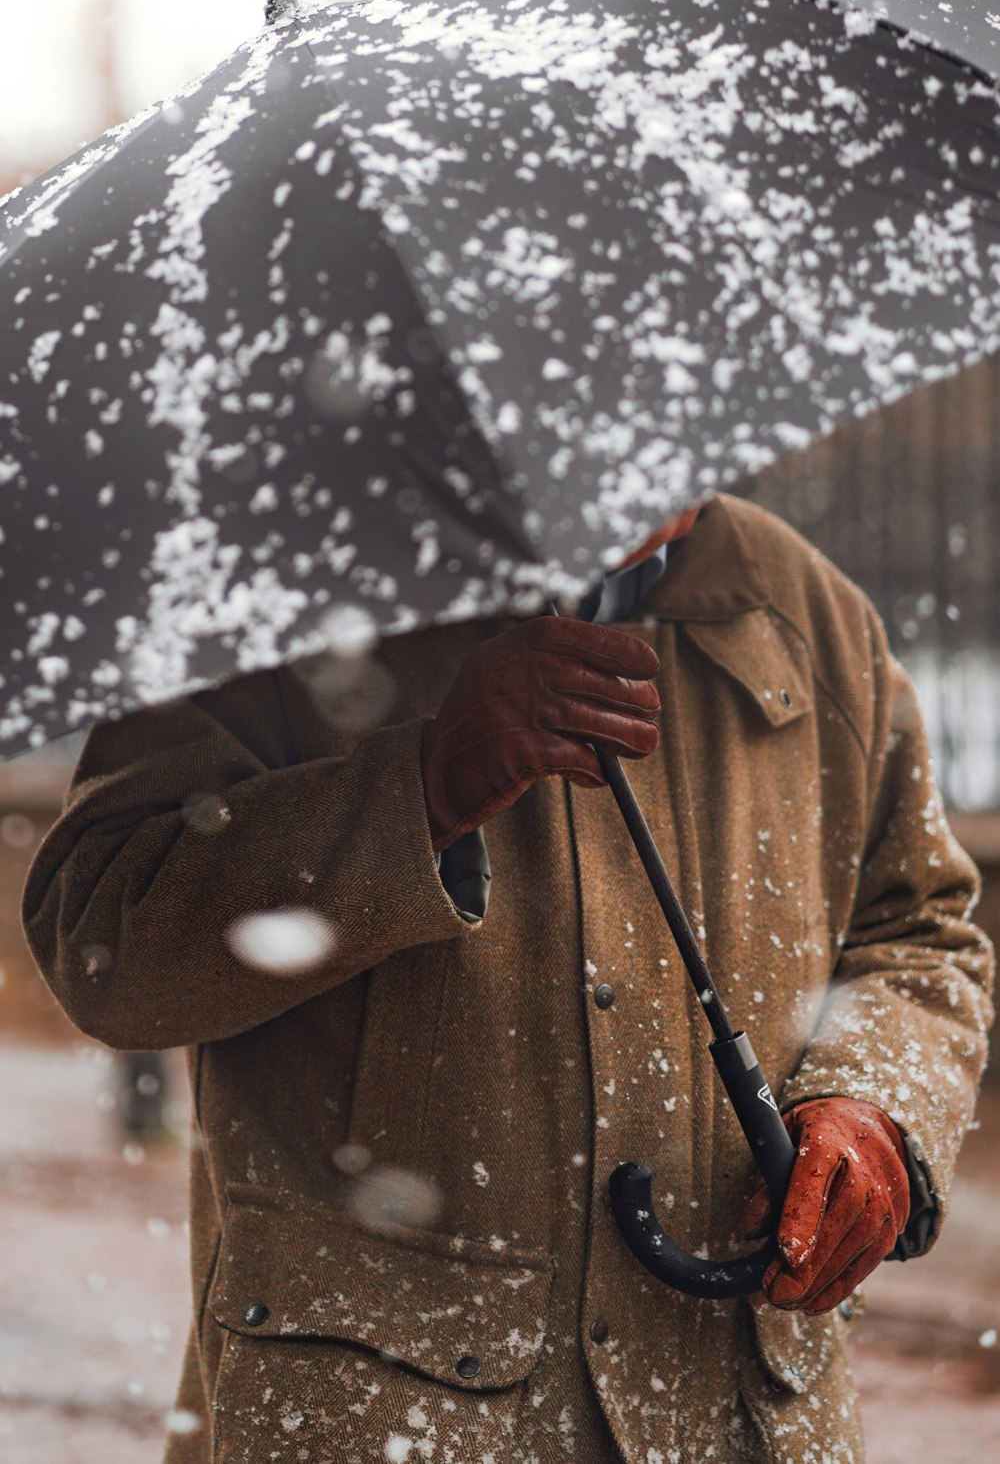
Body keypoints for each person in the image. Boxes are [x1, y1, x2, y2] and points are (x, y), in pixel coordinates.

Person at [22, 494, 994, 1463]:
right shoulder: (280, 583)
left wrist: (872, 1105)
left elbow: (916, 927)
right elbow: (106, 932)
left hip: (748, 1420)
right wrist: (428, 786)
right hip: (374, 1424)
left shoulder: (801, 607)